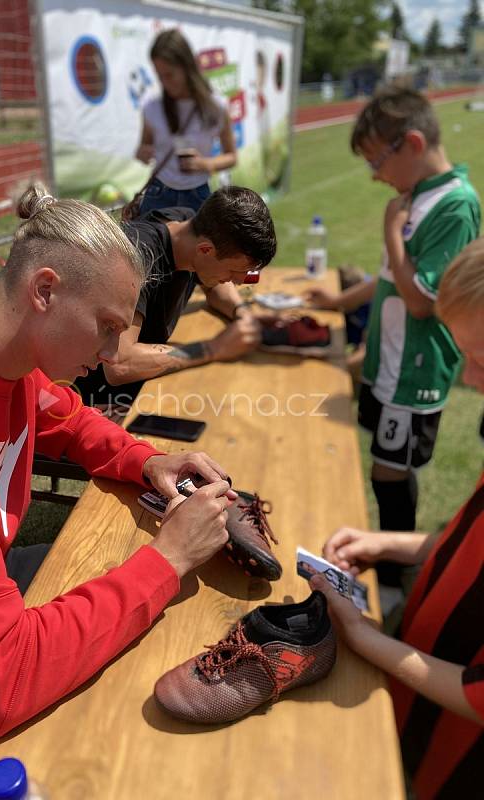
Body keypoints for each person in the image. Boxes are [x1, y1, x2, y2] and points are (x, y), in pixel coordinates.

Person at [0, 184, 239, 799]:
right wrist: (168, 559)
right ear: (44, 290)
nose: (109, 356)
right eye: (105, 329)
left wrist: (147, 459)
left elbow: (69, 420)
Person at [310, 236, 484, 799]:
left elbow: (477, 696)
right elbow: (470, 541)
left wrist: (363, 637)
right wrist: (389, 544)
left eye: (481, 360)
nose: (471, 382)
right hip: (415, 692)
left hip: (454, 756)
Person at [311, 86, 480, 587]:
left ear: (411, 143)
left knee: (391, 470)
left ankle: (392, 580)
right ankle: (388, 561)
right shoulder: (416, 196)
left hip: (416, 368)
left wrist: (391, 230)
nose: (375, 173)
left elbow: (421, 299)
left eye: (377, 159)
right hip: (389, 361)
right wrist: (338, 303)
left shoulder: (455, 204)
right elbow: (390, 275)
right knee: (384, 463)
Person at [75, 185, 278, 411]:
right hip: (97, 403)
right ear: (205, 250)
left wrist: (242, 315)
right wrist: (215, 348)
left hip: (144, 387)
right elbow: (119, 363)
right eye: (232, 271)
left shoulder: (188, 225)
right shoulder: (137, 260)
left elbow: (214, 289)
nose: (238, 282)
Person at [135, 28, 236, 214]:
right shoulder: (152, 105)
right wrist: (143, 153)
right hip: (158, 194)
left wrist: (206, 164)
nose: (164, 82)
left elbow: (231, 156)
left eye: (169, 74)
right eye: (159, 76)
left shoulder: (215, 107)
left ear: (187, 66)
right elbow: (142, 149)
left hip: (197, 197)